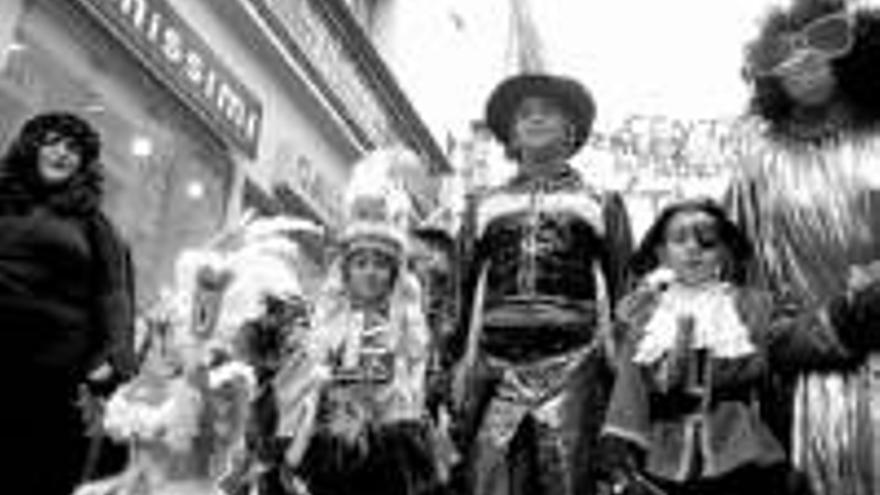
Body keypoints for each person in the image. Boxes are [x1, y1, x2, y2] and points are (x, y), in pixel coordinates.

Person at [600, 198, 880, 495]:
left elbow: (794, 340)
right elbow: (628, 390)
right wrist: (620, 451)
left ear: (724, 252)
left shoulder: (751, 307)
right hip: (663, 456)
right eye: (679, 239)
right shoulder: (643, 313)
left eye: (707, 241)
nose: (693, 248)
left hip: (739, 449)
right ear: (661, 252)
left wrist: (851, 314)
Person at [454, 73, 634, 495]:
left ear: (571, 129)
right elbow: (459, 292)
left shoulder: (602, 202)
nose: (535, 120)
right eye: (525, 114)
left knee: (567, 477)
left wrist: (628, 372)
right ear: (511, 134)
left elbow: (627, 288)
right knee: (489, 475)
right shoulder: (482, 204)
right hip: (497, 363)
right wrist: (450, 365)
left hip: (574, 361)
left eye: (547, 112)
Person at [728, 1, 880, 493]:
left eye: (820, 51)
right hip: (801, 374)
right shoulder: (758, 157)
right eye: (788, 58)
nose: (804, 64)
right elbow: (738, 261)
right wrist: (786, 336)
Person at [275, 149, 439, 495]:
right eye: (361, 263)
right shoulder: (325, 325)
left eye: (380, 264)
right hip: (326, 444)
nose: (370, 272)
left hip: (389, 448)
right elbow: (299, 390)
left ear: (394, 275)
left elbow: (411, 390)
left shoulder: (405, 328)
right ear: (346, 271)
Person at [0, 111, 134, 495]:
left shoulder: (94, 224)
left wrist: (114, 356)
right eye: (53, 142)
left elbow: (113, 293)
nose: (62, 153)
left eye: (73, 149)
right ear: (32, 147)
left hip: (49, 381)